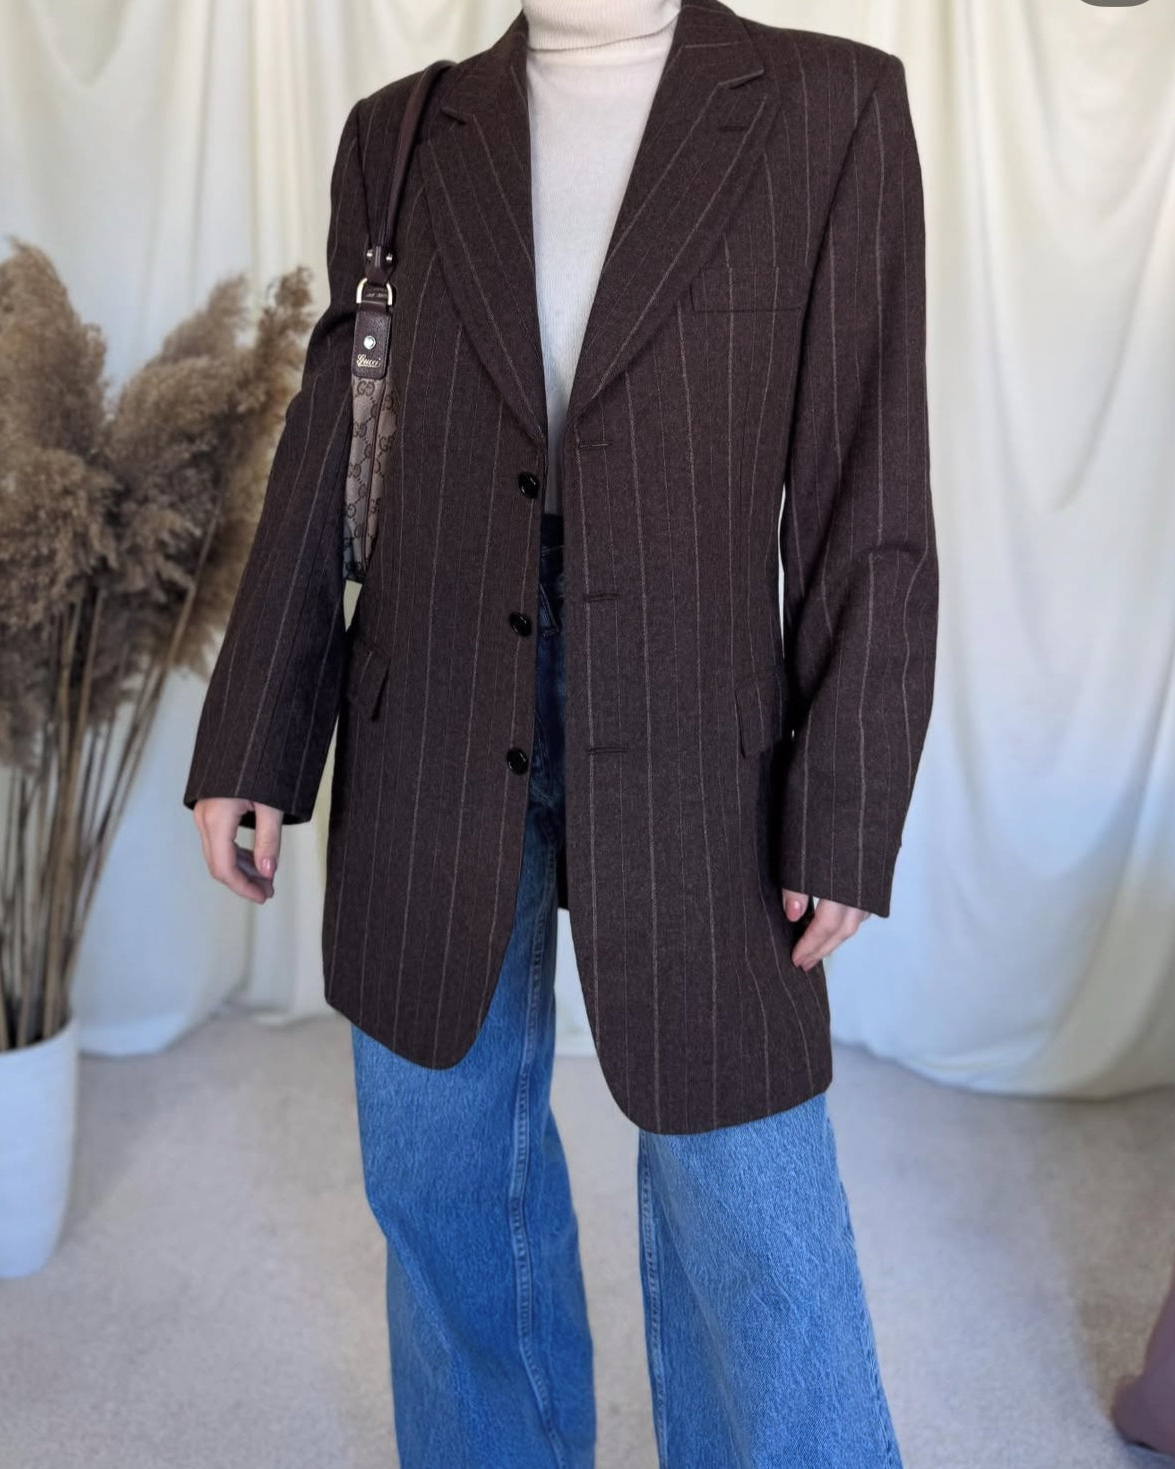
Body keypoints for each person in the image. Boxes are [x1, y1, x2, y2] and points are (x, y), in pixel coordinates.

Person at [185, 1, 938, 1463]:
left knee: (752, 1204)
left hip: (703, 744)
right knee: (443, 1184)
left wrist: (847, 797)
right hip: (426, 720)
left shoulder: (828, 106)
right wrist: (253, 739)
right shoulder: (403, 132)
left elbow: (871, 483)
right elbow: (338, 438)